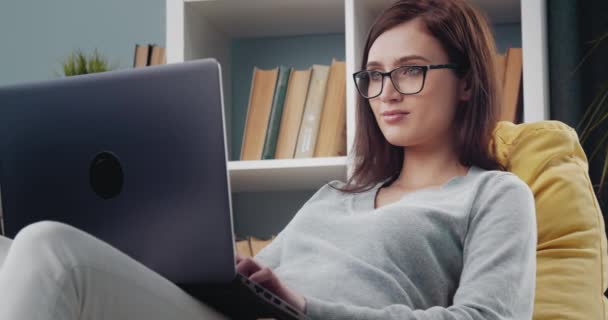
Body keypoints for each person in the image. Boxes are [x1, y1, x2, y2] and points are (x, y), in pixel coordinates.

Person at [0, 0, 536, 319]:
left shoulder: (494, 195)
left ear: (466, 82)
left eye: (410, 70)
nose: (386, 93)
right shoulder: (335, 196)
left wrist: (308, 308)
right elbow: (257, 280)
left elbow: (486, 316)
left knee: (50, 248)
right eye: (373, 76)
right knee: (11, 248)